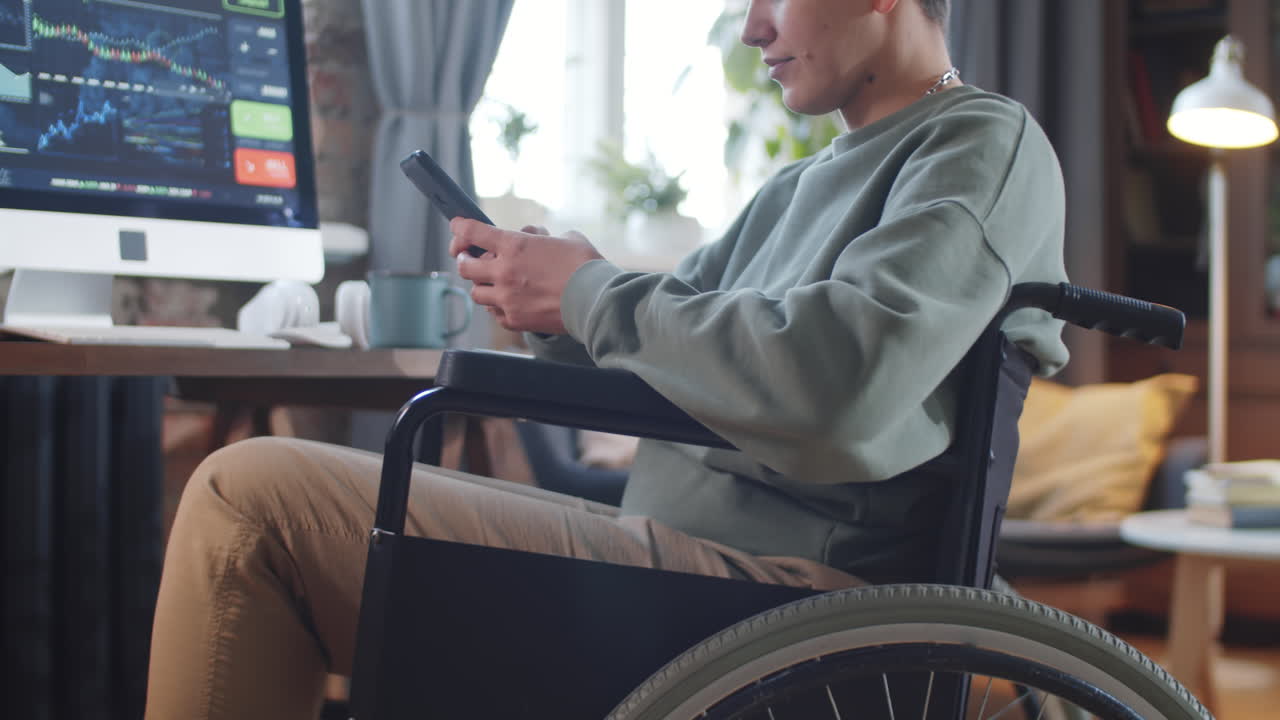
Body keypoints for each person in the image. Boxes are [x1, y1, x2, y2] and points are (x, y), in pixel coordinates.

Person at [145, 0, 1070, 717]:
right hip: (684, 569)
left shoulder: (979, 143)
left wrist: (591, 293)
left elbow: (840, 385)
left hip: (791, 605)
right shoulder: (800, 183)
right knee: (258, 503)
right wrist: (555, 303)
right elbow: (661, 348)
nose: (752, 30)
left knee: (251, 501)